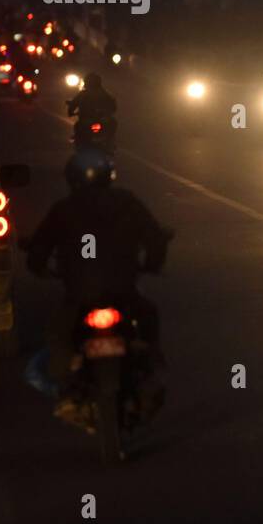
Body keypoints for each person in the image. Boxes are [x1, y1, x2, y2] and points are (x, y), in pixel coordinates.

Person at [24, 148, 171, 422]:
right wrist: (152, 264)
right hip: (123, 291)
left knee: (58, 335)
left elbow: (38, 252)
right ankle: (151, 366)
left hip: (80, 295)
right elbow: (155, 239)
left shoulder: (63, 210)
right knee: (148, 318)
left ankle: (68, 389)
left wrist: (40, 268)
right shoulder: (127, 202)